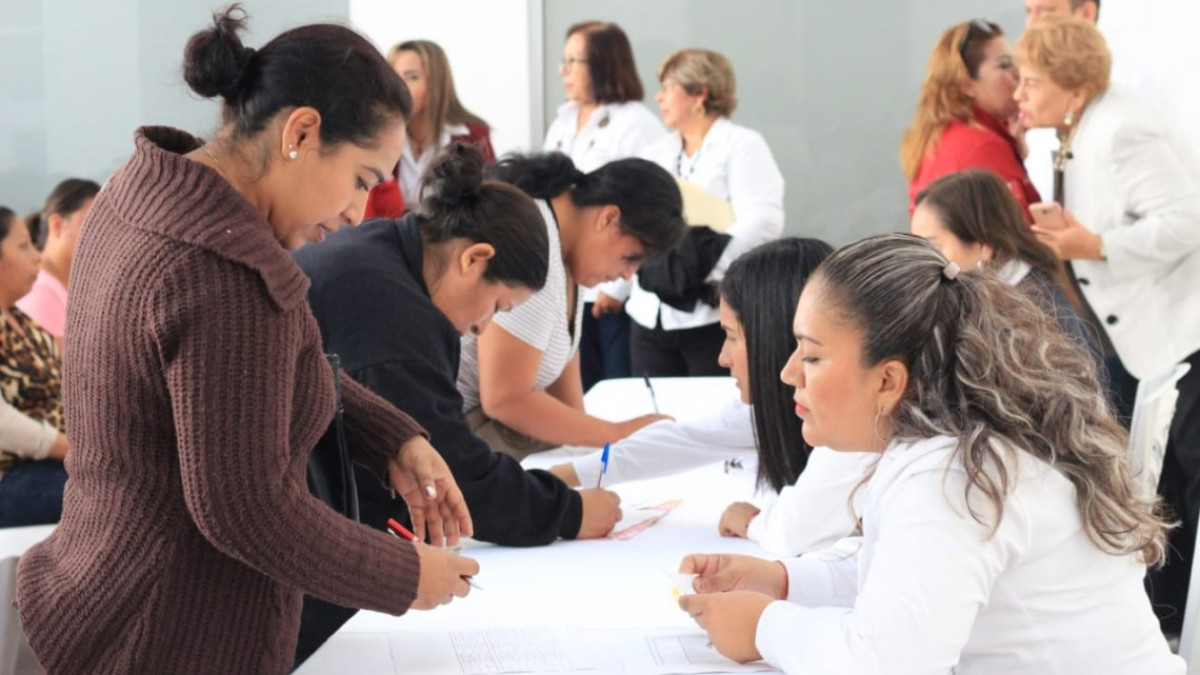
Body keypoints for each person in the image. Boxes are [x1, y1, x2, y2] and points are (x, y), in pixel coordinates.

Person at [15, 9, 477, 673]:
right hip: (167, 633)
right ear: (301, 131)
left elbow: (243, 377)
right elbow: (247, 509)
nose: (355, 211)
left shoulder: (141, 193)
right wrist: (405, 574)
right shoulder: (225, 273)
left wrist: (391, 436)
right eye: (361, 179)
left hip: (98, 588)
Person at [678, 233, 1181, 674]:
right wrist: (784, 580)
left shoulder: (951, 477)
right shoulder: (951, 446)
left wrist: (765, 626)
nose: (789, 373)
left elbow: (885, 663)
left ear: (889, 380)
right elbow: (914, 577)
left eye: (811, 355)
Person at [292, 145, 623, 663]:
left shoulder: (385, 254)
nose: (485, 327)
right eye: (496, 306)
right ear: (474, 259)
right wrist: (570, 511)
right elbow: (451, 473)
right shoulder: (391, 310)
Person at [1015, 14, 1200, 634]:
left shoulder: (1122, 128)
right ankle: (1167, 616)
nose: (1020, 95)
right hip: (1146, 336)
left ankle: (1179, 622)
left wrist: (1093, 242)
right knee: (1161, 477)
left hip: (1183, 331)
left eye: (1031, 81)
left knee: (1184, 473)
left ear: (1072, 84)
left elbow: (1186, 222)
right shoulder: (1082, 121)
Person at [551, 238, 872, 556]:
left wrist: (753, 521)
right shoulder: (786, 410)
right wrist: (557, 477)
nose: (722, 357)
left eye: (732, 337)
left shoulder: (850, 426)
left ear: (773, 338)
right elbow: (675, 443)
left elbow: (793, 531)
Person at [457, 152, 685, 459]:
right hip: (448, 437)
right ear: (608, 218)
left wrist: (605, 437)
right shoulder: (534, 242)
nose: (628, 274)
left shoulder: (564, 251)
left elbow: (570, 411)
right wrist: (618, 434)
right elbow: (504, 398)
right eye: (631, 257)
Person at [600, 48, 784, 377]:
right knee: (653, 414)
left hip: (710, 318)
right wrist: (616, 287)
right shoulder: (657, 152)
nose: (659, 97)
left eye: (669, 87)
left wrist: (698, 268)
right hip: (648, 314)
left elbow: (763, 220)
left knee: (711, 416)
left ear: (701, 93)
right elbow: (639, 223)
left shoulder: (741, 144)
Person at [544, 21, 665, 390]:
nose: (563, 71)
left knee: (614, 387)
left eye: (573, 61)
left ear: (603, 64)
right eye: (563, 60)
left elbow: (648, 209)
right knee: (576, 385)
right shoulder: (564, 120)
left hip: (613, 286)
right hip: (568, 279)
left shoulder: (636, 123)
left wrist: (618, 289)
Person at [910, 169, 1095, 355]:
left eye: (933, 247)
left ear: (983, 246)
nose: (921, 259)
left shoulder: (1030, 316)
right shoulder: (1001, 296)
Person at [901, 20, 1040, 221]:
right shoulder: (980, 146)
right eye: (1004, 65)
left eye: (1016, 63)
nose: (1018, 74)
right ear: (965, 83)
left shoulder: (948, 134)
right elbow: (1019, 237)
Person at [363, 39, 495, 220]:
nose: (400, 86)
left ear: (437, 84)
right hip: (392, 236)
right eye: (395, 76)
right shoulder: (380, 134)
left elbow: (485, 207)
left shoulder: (473, 135)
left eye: (412, 77)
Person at [0, 208, 69, 527]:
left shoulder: (20, 322)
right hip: (13, 476)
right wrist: (70, 448)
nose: (37, 258)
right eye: (24, 246)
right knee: (118, 495)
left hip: (49, 464)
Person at [17, 178, 100, 340]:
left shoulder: (82, 287)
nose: (100, 234)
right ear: (56, 224)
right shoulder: (38, 290)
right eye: (91, 223)